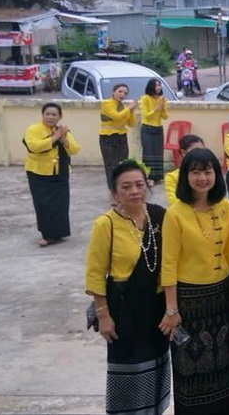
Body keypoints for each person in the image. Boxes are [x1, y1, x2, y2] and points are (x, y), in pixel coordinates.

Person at [159, 148, 229, 415]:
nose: (202, 178)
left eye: (208, 171)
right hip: (189, 301)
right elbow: (168, 264)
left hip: (221, 297)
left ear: (216, 174)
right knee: (191, 364)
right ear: (186, 176)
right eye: (195, 172)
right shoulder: (175, 213)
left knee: (224, 360)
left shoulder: (225, 206)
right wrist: (171, 309)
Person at [85, 160, 170, 415]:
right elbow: (95, 273)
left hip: (155, 309)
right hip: (124, 311)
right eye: (126, 187)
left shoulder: (159, 216)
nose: (134, 191)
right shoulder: (106, 224)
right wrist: (103, 315)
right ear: (115, 193)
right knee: (129, 371)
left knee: (156, 367)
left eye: (139, 185)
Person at [24, 103, 81, 246]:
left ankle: (59, 233)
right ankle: (48, 235)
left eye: (54, 114)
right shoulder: (34, 129)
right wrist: (55, 137)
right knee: (43, 205)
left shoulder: (63, 131)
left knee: (60, 204)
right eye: (47, 114)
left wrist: (64, 140)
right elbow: (34, 146)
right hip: (39, 172)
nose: (50, 117)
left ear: (60, 116)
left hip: (60, 172)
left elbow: (74, 150)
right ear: (42, 115)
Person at [99, 83, 137, 188]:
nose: (122, 95)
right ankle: (113, 188)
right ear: (113, 92)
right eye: (120, 91)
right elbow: (117, 117)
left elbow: (131, 124)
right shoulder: (106, 104)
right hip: (108, 137)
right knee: (111, 164)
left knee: (123, 163)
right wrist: (128, 109)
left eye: (125, 93)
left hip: (121, 136)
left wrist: (132, 111)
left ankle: (122, 185)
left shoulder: (123, 107)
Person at [140, 78, 169, 185]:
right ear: (151, 86)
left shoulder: (162, 99)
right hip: (147, 128)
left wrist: (163, 108)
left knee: (158, 153)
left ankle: (158, 176)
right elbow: (146, 115)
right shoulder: (145, 98)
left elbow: (165, 117)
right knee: (148, 153)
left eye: (159, 85)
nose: (158, 87)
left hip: (158, 128)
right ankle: (149, 177)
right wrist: (157, 108)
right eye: (156, 85)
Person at [164, 135, 205, 207]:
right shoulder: (172, 177)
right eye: (195, 151)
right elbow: (174, 203)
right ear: (183, 152)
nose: (200, 154)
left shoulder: (209, 173)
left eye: (203, 151)